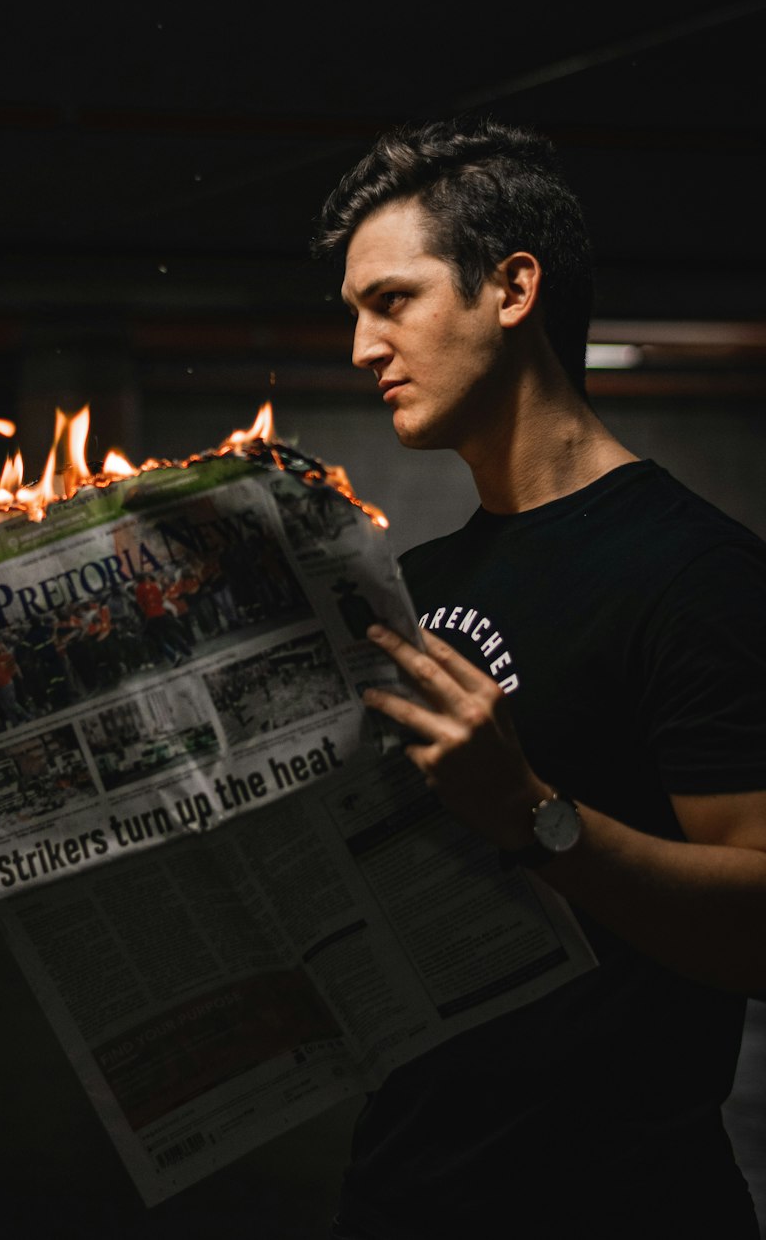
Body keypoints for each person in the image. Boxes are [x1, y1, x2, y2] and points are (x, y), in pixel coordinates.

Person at [313, 117, 766, 1239]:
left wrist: (527, 815)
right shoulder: (414, 579)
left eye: (392, 301)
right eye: (353, 315)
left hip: (613, 1203)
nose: (362, 349)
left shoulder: (696, 573)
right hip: (402, 1190)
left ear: (511, 289)